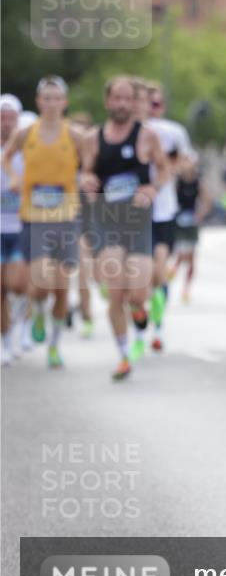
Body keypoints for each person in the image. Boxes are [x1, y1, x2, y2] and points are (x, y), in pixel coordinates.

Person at [81, 76, 167, 380]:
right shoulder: (93, 138)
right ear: (107, 102)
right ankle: (122, 356)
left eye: (126, 98)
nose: (120, 104)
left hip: (138, 224)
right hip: (107, 223)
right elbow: (86, 172)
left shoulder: (147, 136)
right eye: (115, 98)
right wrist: (86, 181)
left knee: (136, 293)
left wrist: (152, 189)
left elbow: (164, 169)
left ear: (134, 102)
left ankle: (141, 309)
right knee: (116, 293)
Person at [2, 77, 86, 369]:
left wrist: (86, 177)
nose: (51, 104)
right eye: (46, 98)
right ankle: (37, 311)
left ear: (64, 102)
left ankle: (54, 344)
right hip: (34, 218)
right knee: (39, 285)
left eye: (56, 98)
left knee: (62, 289)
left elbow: (91, 162)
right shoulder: (26, 134)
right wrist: (14, 178)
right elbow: (7, 157)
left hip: (65, 217)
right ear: (39, 102)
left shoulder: (75, 136)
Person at [144, 81, 191, 353]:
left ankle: (158, 327)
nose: (153, 109)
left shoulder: (173, 132)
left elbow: (186, 162)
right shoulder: (132, 133)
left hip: (164, 210)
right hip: (133, 212)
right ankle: (140, 313)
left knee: (159, 272)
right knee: (141, 274)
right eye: (148, 103)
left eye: (157, 104)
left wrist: (170, 168)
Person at [1, 95, 29, 363]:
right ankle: (5, 340)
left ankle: (23, 327)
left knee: (18, 285)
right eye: (2, 117)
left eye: (11, 117)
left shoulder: (26, 152)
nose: (6, 122)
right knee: (1, 288)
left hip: (21, 227)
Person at [168, 151, 212, 303]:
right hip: (179, 222)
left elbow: (207, 201)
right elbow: (169, 198)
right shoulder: (177, 181)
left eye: (190, 162)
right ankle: (172, 271)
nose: (188, 165)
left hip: (192, 222)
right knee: (180, 254)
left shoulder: (198, 183)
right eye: (185, 161)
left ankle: (186, 290)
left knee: (192, 258)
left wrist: (200, 214)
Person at [69, 111, 95, 338]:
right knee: (82, 271)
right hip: (75, 219)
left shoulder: (97, 159)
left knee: (100, 272)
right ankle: (86, 315)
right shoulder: (66, 161)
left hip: (100, 220)